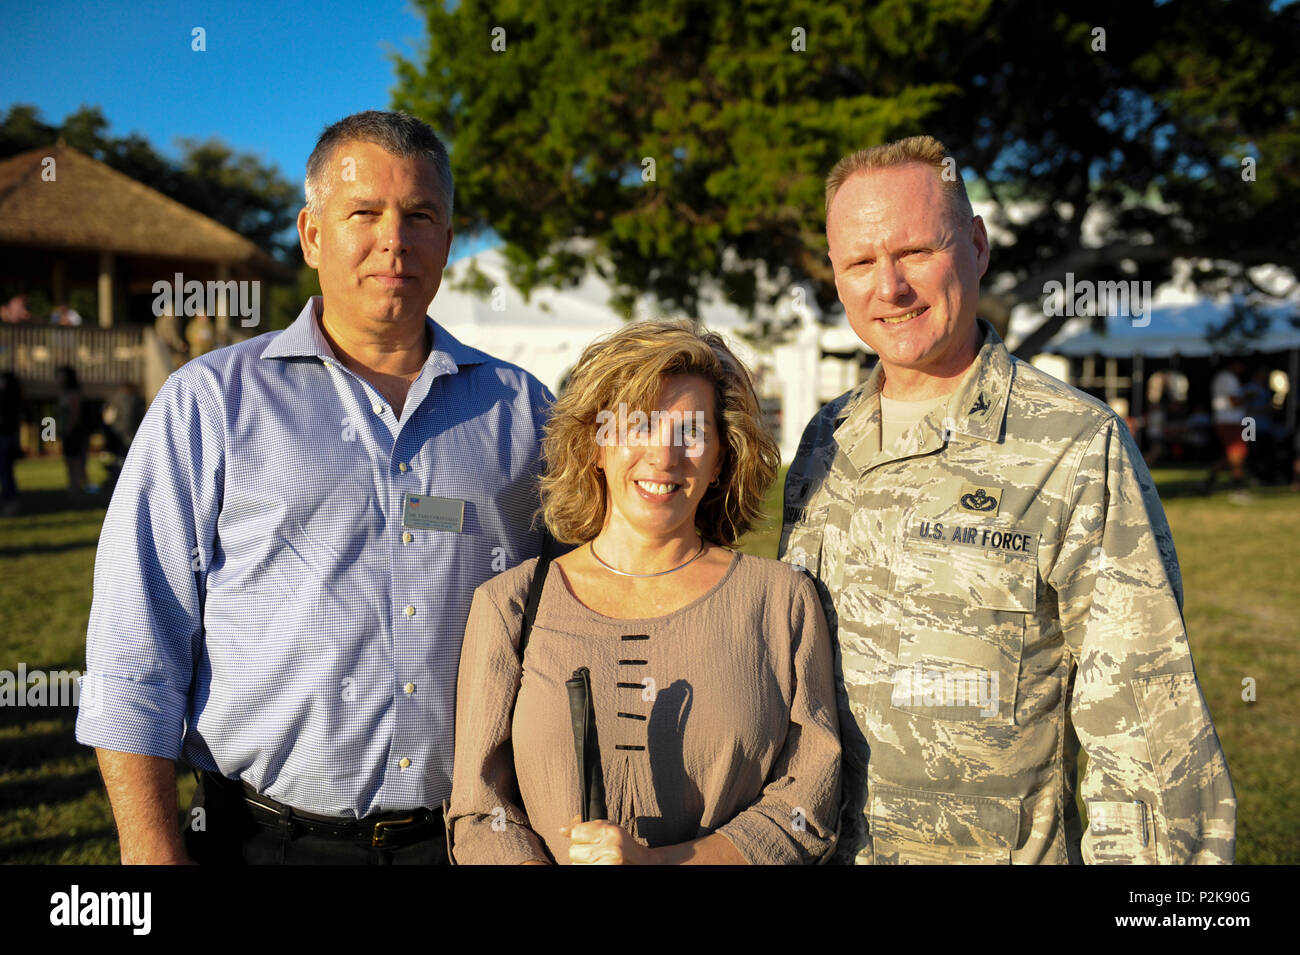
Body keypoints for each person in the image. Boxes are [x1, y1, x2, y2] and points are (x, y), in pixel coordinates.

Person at [75, 110, 552, 865]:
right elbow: (136, 647)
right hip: (260, 841)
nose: (394, 239)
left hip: (466, 843)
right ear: (312, 234)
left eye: (420, 215)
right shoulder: (211, 402)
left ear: (448, 241)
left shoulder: (526, 413)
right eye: (363, 212)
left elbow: (591, 607)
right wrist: (151, 855)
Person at [780, 135, 1235, 864]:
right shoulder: (822, 443)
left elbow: (1149, 734)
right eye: (860, 263)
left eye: (916, 252)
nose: (889, 287)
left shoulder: (1076, 443)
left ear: (978, 246)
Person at [449, 320, 841, 865]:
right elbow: (479, 808)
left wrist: (663, 863)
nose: (664, 457)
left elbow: (807, 803)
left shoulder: (781, 602)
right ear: (595, 445)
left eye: (692, 432)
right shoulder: (511, 605)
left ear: (722, 460)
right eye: (639, 427)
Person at [1204, 358, 1249, 496]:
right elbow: (1234, 401)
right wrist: (1249, 398)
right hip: (1230, 420)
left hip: (1227, 420)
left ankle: (1208, 482)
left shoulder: (1222, 377)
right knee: (1238, 453)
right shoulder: (1228, 378)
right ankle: (1238, 488)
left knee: (1230, 454)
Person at [54, 365, 88, 495]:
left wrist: (69, 429)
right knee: (68, 460)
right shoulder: (62, 394)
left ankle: (77, 485)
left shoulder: (73, 394)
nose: (58, 379)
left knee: (75, 460)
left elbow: (75, 414)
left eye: (61, 376)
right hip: (66, 432)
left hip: (74, 432)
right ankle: (72, 484)